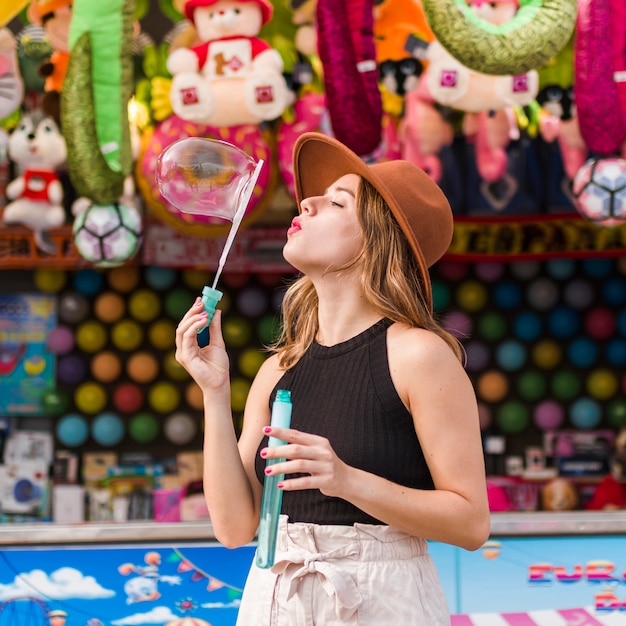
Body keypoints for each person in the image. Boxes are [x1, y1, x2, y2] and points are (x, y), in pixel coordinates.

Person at [175, 131, 490, 625]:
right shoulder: (278, 369)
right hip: (276, 596)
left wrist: (346, 480)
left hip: (384, 600)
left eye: (337, 201)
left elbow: (471, 523)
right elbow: (235, 528)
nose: (307, 200)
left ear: (376, 241)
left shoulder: (419, 356)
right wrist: (214, 391)